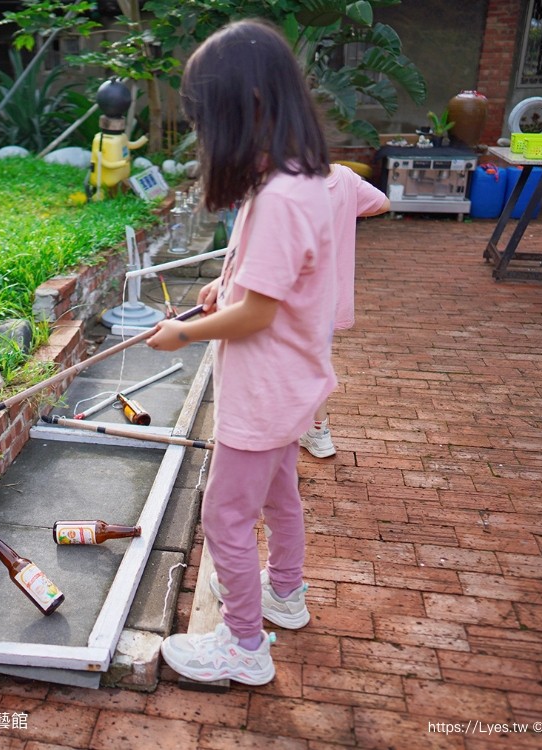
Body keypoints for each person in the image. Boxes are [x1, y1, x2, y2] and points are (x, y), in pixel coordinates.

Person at [146, 18, 336, 686]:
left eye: (207, 119)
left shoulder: (278, 199)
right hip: (293, 388)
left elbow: (257, 315)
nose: (204, 137)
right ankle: (286, 593)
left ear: (247, 109)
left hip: (262, 393)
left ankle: (243, 646)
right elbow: (269, 285)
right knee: (281, 498)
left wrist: (183, 333)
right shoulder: (303, 180)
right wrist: (222, 286)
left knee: (224, 515)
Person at [300, 164, 389, 458]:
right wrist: (346, 209)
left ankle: (314, 431)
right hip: (329, 294)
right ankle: (314, 429)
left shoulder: (289, 183)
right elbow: (382, 203)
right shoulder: (345, 177)